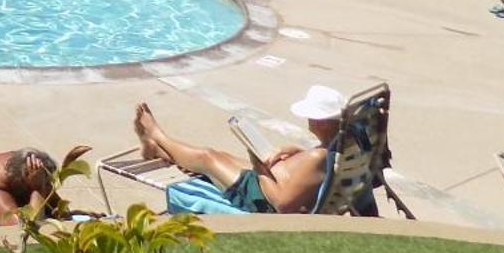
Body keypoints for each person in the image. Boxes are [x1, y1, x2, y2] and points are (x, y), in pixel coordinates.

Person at [132, 86, 345, 214]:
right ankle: (159, 150)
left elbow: (282, 205)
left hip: (260, 199)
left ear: (323, 123)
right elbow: (310, 174)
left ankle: (157, 135)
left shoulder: (320, 156)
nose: (308, 119)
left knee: (208, 157)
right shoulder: (340, 147)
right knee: (220, 155)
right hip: (274, 178)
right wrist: (295, 151)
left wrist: (259, 167)